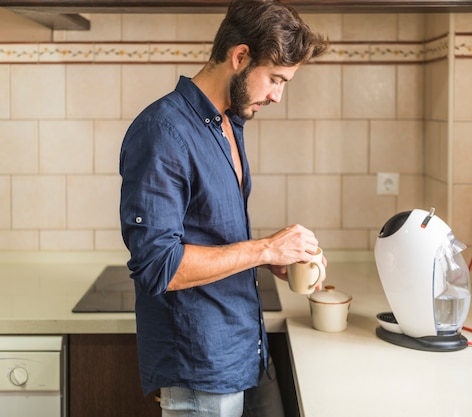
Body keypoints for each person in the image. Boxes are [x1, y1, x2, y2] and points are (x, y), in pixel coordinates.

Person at [119, 1, 329, 416]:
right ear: (240, 56)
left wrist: (273, 259)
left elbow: (209, 232)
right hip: (200, 368)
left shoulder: (227, 123)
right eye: (275, 79)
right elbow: (159, 266)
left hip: (242, 347)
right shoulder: (163, 132)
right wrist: (265, 249)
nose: (277, 95)